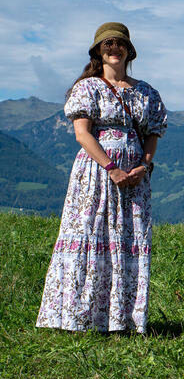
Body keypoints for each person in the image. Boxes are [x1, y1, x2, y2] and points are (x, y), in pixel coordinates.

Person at [37, 22, 167, 333]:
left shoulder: (145, 92)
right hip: (96, 172)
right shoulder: (87, 88)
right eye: (107, 44)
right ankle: (78, 318)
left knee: (127, 239)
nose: (114, 49)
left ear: (129, 50)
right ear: (98, 50)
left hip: (135, 175)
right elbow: (82, 135)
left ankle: (122, 319)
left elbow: (152, 134)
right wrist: (112, 167)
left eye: (119, 44)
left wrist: (144, 166)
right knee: (90, 234)